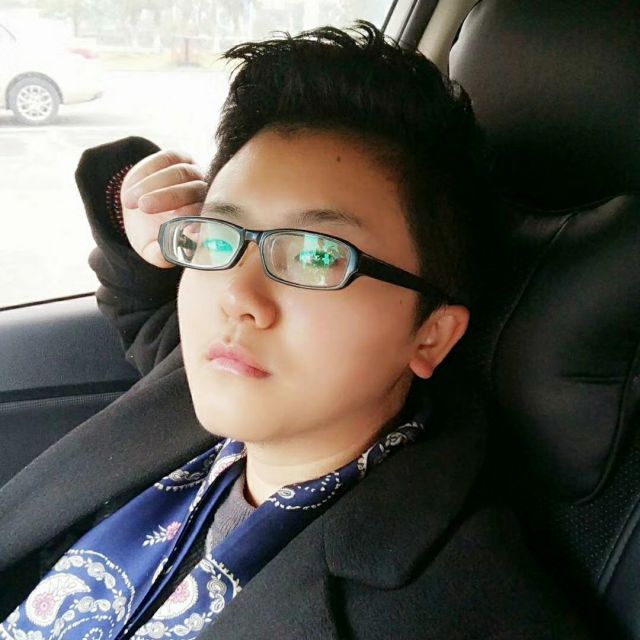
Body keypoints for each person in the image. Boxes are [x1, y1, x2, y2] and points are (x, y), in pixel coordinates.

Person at [0, 21, 591, 640]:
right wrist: (147, 213)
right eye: (220, 237)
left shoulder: (458, 612)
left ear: (432, 336)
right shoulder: (210, 383)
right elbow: (143, 303)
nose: (237, 297)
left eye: (315, 256)